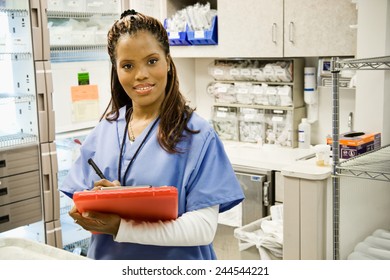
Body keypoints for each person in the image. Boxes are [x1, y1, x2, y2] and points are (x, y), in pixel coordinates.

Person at [61, 9, 244, 260]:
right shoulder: (105, 130)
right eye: (128, 65)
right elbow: (80, 204)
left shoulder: (197, 135)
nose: (141, 75)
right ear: (116, 70)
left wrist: (121, 226)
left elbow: (202, 229)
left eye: (152, 61)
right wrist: (93, 207)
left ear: (168, 62)